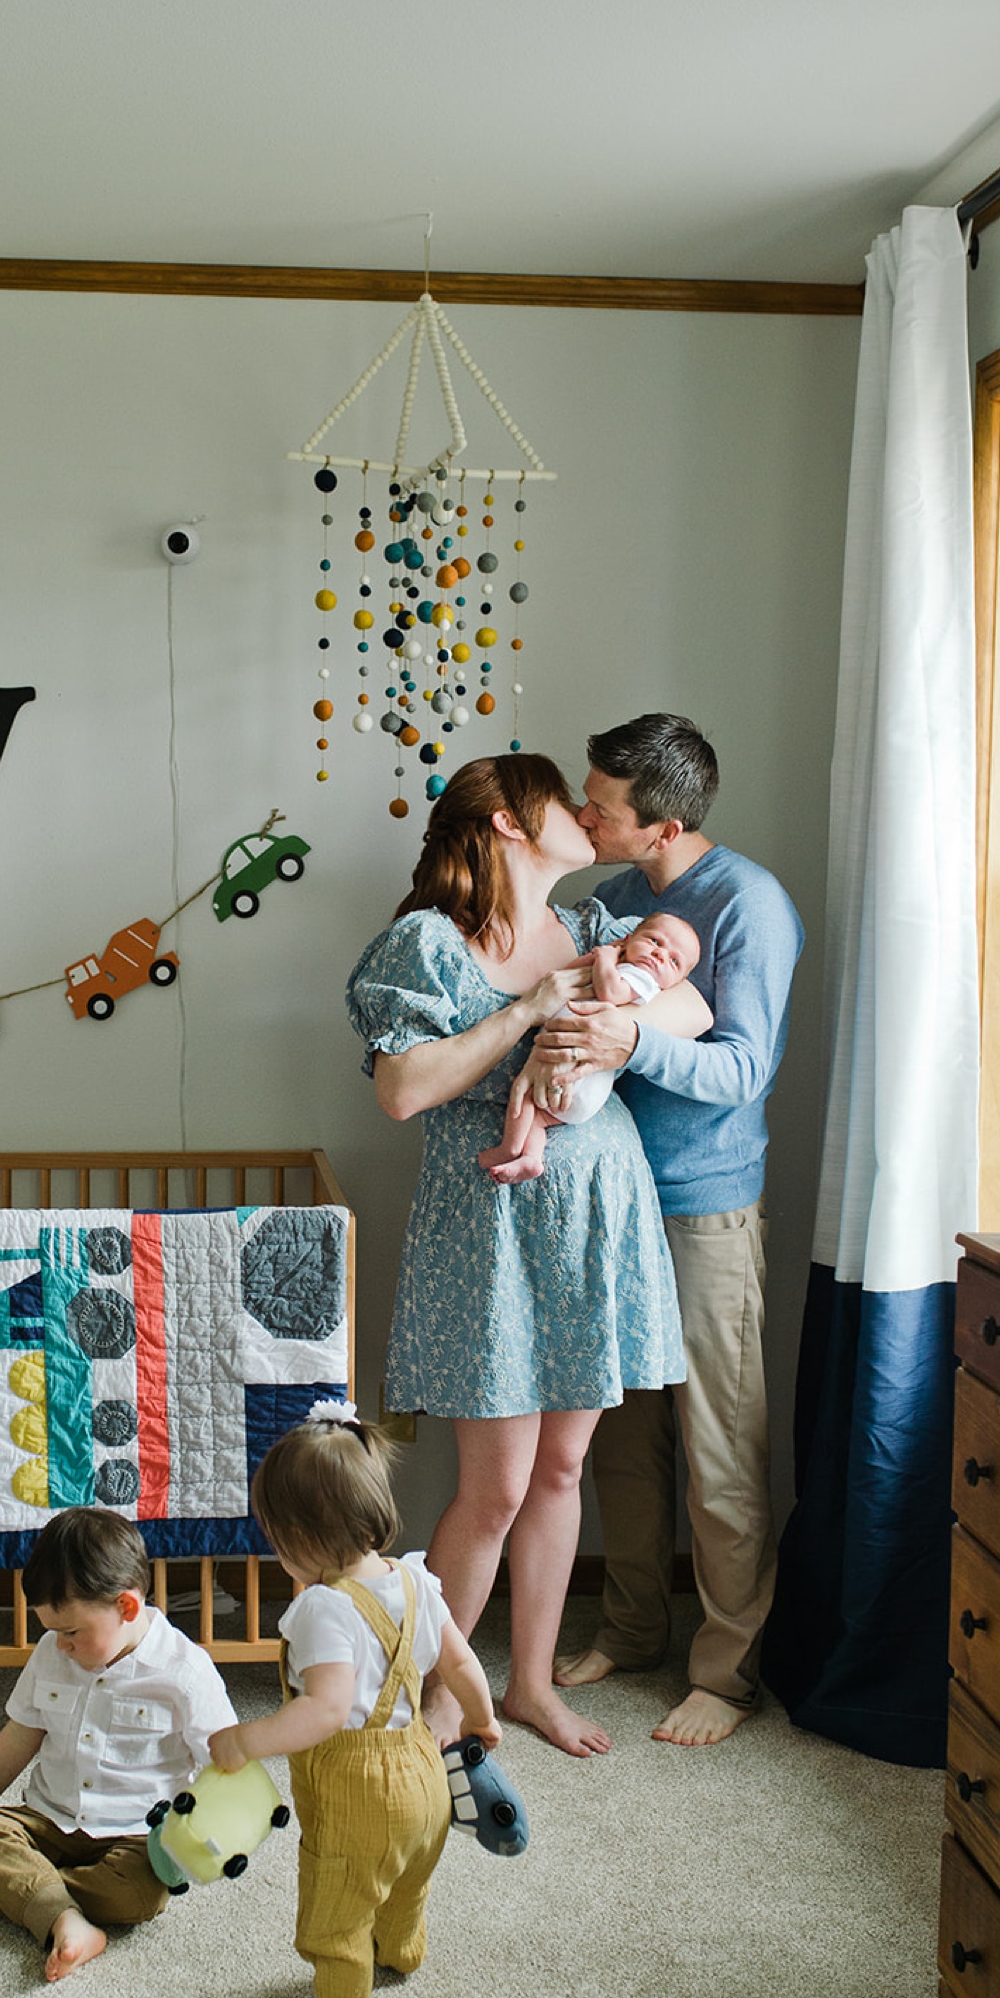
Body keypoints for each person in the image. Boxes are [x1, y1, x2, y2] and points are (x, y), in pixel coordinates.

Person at [344, 753, 709, 1759]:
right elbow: (402, 1089)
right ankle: (442, 1704)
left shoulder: (595, 927)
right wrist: (525, 1008)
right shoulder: (427, 943)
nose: (587, 816)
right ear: (509, 822)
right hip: (489, 1231)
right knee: (495, 1488)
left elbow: (694, 1009)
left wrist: (612, 1018)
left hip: (597, 1207)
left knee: (563, 1471)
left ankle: (533, 1684)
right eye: (564, 801)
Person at [532, 715, 804, 1748]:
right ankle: (636, 1627)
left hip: (706, 1203)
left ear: (664, 821)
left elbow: (745, 1069)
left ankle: (727, 1673)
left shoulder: (747, 905)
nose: (583, 813)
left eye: (600, 804)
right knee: (622, 1434)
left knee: (719, 1440)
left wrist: (634, 1038)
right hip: (616, 1199)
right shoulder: (611, 898)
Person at [209, 1401, 498, 1998]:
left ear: (300, 1537)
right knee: (407, 1877)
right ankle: (401, 1950)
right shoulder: (418, 1580)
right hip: (425, 1768)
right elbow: (460, 1665)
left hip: (359, 1791)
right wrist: (482, 1721)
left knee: (336, 1919)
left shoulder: (320, 1608)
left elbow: (326, 1710)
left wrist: (247, 1741)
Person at [0, 1504, 237, 1979]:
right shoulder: (52, 1654)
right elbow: (20, 1734)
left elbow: (224, 1763)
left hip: (133, 1834)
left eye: (72, 1632)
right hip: (49, 1818)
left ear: (127, 1606)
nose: (61, 1646)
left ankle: (15, 1894)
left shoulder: (184, 1670)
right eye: (52, 1632)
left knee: (141, 1894)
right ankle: (62, 1914)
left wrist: (204, 1832)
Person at [479, 912, 703, 1184]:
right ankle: (531, 1158)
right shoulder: (619, 967)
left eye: (674, 961)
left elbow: (611, 991)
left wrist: (606, 958)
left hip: (577, 1075)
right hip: (583, 1093)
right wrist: (593, 960)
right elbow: (564, 978)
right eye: (655, 941)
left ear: (674, 983)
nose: (659, 955)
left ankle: (509, 1147)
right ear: (628, 939)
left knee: (523, 1092)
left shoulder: (642, 980)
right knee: (538, 1118)